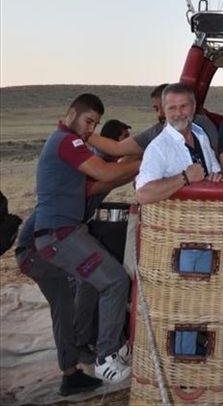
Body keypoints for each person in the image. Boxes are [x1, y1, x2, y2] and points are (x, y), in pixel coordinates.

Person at [27, 93, 140, 390]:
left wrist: (129, 165)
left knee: (92, 284)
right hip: (59, 235)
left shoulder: (65, 143)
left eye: (96, 124)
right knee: (115, 281)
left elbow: (101, 182)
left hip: (62, 233)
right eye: (89, 121)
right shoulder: (67, 141)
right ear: (71, 113)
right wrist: (144, 163)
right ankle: (106, 358)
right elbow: (104, 173)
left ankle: (101, 346)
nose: (91, 129)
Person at [135, 84, 223, 204]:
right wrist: (185, 178)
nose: (178, 113)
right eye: (172, 108)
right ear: (164, 111)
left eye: (183, 106)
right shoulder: (158, 148)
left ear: (194, 107)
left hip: (205, 217)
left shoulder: (201, 134)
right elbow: (143, 194)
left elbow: (216, 171)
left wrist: (216, 177)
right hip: (176, 221)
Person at [88, 84, 219, 157]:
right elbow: (117, 148)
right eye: (157, 109)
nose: (161, 114)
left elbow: (217, 155)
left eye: (182, 106)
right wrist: (82, 131)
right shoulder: (156, 131)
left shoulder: (200, 124)